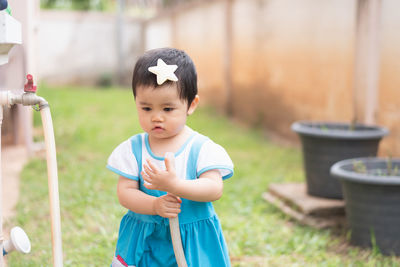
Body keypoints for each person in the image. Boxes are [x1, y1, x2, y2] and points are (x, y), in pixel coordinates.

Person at [107, 48, 234, 267]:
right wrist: (154, 205)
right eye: (146, 108)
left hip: (191, 239)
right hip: (146, 238)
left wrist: (176, 185)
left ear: (190, 105)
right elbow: (125, 193)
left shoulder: (200, 148)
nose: (156, 117)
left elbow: (214, 189)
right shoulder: (134, 149)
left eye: (168, 108)